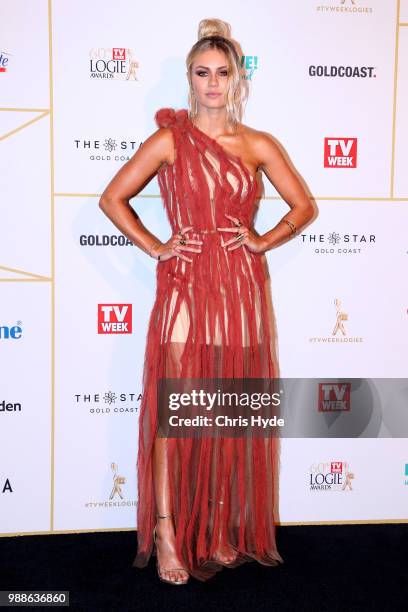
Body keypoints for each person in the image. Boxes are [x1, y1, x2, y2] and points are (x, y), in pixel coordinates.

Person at [99, 17, 315, 585]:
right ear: (189, 80)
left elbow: (302, 206)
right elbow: (113, 198)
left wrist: (264, 240)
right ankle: (168, 530)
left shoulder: (258, 144)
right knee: (176, 416)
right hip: (187, 286)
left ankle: (219, 531)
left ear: (237, 80)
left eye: (223, 73)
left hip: (241, 290)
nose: (213, 84)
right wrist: (158, 246)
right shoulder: (170, 140)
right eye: (203, 73)